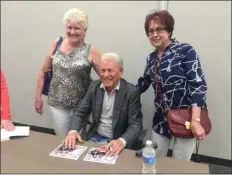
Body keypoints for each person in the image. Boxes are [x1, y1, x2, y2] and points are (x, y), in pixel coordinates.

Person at [137, 10, 207, 161]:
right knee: (153, 159)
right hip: (161, 119)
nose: (154, 34)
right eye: (150, 31)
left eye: (159, 29)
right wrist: (118, 87)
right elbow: (142, 84)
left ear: (169, 31)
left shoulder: (185, 51)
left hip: (186, 118)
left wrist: (196, 121)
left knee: (180, 164)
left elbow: (198, 86)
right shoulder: (151, 58)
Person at [34, 8, 101, 136]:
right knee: (61, 138)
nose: (72, 32)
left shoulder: (90, 50)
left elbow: (105, 77)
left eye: (77, 28)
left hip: (81, 106)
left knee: (79, 140)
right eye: (69, 27)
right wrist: (38, 98)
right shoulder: (57, 44)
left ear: (85, 31)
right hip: (57, 103)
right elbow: (43, 71)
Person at [63, 53, 143, 156]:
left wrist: (122, 141)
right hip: (95, 137)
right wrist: (73, 131)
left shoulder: (131, 92)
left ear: (121, 72)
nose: (105, 75)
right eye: (103, 70)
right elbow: (80, 112)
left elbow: (136, 124)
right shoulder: (94, 86)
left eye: (110, 71)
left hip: (117, 140)